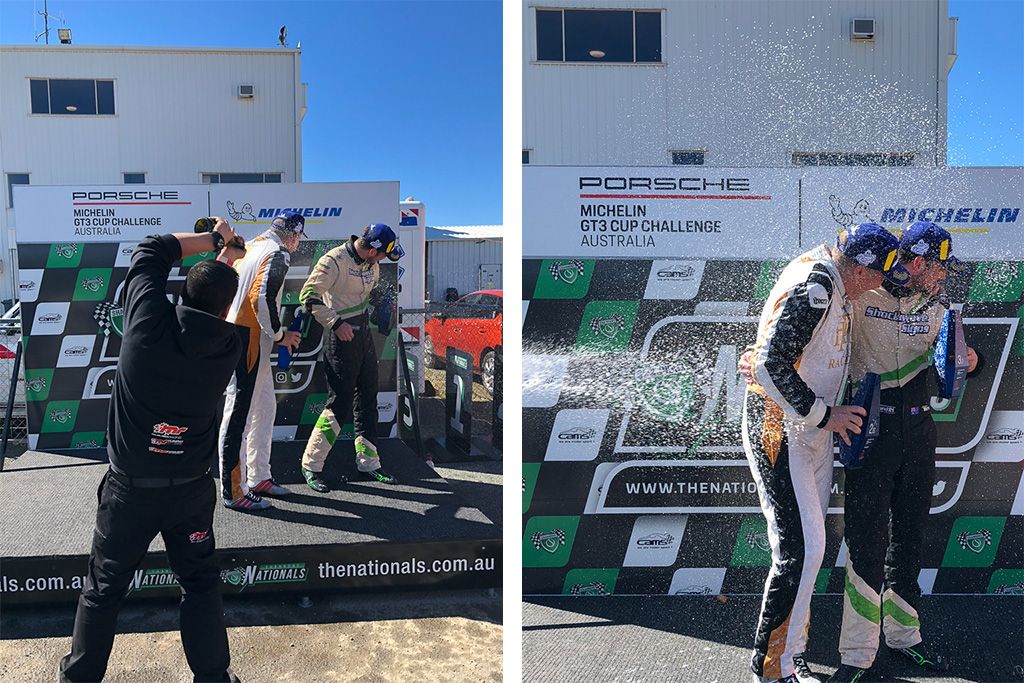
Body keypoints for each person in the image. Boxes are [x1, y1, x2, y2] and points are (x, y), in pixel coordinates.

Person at [60, 220, 245, 683]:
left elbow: (151, 252)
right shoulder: (228, 346)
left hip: (130, 494)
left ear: (182, 292)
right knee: (201, 586)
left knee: (104, 591)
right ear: (227, 309)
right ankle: (214, 678)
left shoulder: (146, 324)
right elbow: (209, 306)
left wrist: (213, 240)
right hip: (189, 494)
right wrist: (225, 263)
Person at [743, 223, 909, 683]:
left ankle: (789, 657)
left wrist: (822, 418)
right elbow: (767, 365)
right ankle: (770, 668)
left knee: (811, 553)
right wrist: (824, 415)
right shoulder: (817, 286)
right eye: (877, 276)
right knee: (800, 552)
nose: (878, 286)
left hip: (810, 430)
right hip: (784, 429)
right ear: (858, 267)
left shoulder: (837, 278)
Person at [827, 221, 981, 682]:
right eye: (938, 268)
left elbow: (954, 359)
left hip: (918, 433)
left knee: (909, 540)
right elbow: (814, 337)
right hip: (868, 431)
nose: (943, 277)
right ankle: (856, 654)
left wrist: (973, 363)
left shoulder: (937, 303)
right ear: (918, 262)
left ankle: (904, 638)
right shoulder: (860, 292)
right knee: (866, 542)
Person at [298, 223, 404, 491]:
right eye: (382, 255)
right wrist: (335, 323)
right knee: (339, 403)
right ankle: (311, 465)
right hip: (340, 337)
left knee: (368, 397)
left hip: (363, 335)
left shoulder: (373, 264)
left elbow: (372, 291)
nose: (383, 261)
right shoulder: (333, 260)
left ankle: (368, 462)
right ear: (372, 250)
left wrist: (382, 303)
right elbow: (308, 297)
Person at [218, 210, 304, 511]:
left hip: (246, 334)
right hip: (249, 336)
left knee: (264, 407)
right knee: (238, 413)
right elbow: (260, 299)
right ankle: (232, 490)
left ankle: (258, 476)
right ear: (293, 234)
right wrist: (281, 336)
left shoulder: (254, 244)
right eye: (298, 238)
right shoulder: (277, 252)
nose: (297, 244)